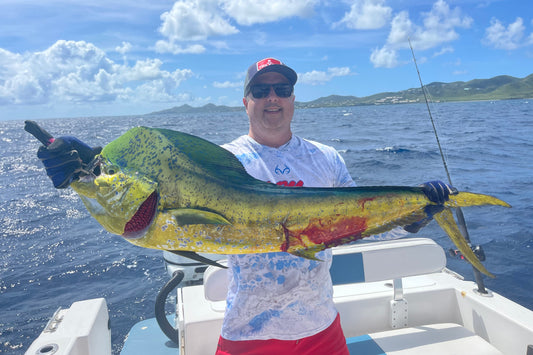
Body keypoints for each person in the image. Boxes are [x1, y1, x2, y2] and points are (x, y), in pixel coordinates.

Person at [36, 57, 454, 355]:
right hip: (248, 333)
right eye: (261, 90)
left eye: (282, 89)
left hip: (322, 328)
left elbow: (355, 226)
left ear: (293, 98)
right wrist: (90, 168)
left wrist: (416, 216)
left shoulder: (326, 159)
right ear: (246, 100)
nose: (272, 97)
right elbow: (150, 221)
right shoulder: (218, 163)